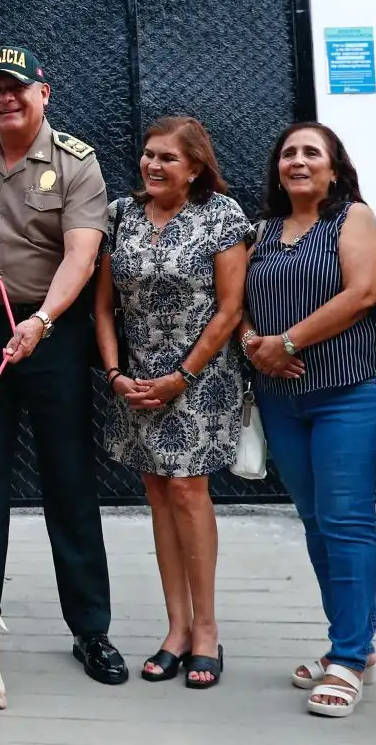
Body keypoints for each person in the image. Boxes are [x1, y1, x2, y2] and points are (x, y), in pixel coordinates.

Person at [0, 45, 125, 686]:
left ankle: (91, 631)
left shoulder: (76, 163)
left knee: (68, 483)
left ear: (43, 93)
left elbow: (82, 256)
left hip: (52, 333)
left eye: (16, 88)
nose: (5, 98)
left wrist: (41, 321)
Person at [94, 116, 250, 691]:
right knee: (157, 492)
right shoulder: (121, 214)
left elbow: (230, 308)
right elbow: (104, 305)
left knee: (188, 490)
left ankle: (206, 631)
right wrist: (114, 373)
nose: (153, 166)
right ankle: (176, 629)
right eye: (148, 155)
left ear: (195, 168)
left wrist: (183, 376)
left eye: (168, 159)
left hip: (200, 379)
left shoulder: (221, 216)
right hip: (137, 381)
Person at [239, 122, 376, 716]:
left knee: (347, 519)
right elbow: (241, 304)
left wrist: (288, 343)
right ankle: (352, 644)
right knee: (315, 520)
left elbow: (362, 293)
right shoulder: (264, 231)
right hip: (282, 399)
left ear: (333, 168)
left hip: (349, 390)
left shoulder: (352, 218)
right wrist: (255, 342)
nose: (297, 161)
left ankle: (349, 657)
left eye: (310, 153)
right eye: (287, 153)